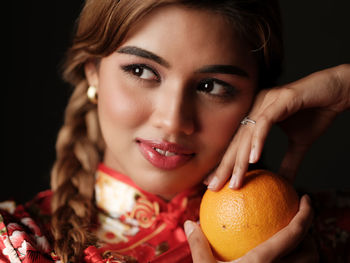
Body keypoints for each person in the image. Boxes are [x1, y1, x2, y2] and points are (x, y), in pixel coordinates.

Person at [1, 0, 349, 262]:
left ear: (259, 99)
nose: (172, 120)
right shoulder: (18, 245)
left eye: (212, 86)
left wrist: (341, 83)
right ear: (93, 70)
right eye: (141, 70)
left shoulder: (322, 232)